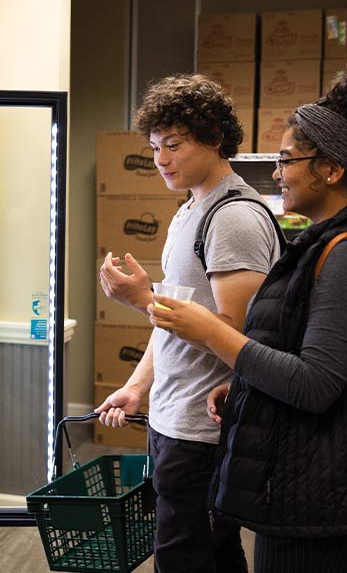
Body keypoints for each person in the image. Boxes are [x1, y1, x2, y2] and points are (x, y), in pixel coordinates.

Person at [147, 58, 347, 572]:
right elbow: (304, 351)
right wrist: (246, 386)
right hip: (304, 470)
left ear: (331, 169)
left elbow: (316, 384)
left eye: (286, 159)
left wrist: (211, 330)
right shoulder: (323, 242)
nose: (276, 173)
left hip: (325, 483)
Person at [96, 74, 278, 573]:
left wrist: (142, 300)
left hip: (204, 430)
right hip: (172, 416)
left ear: (215, 138)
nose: (160, 159)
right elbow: (174, 319)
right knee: (215, 555)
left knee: (181, 558)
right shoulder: (189, 211)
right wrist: (136, 387)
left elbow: (231, 333)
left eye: (173, 145)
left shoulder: (234, 218)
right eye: (155, 147)